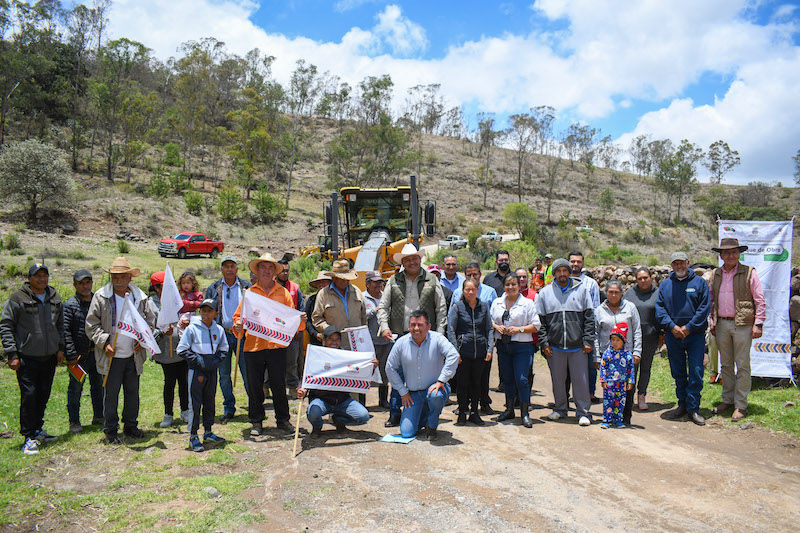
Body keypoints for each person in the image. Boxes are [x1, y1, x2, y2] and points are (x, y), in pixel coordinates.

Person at [233, 253, 304, 436]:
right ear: (257, 271)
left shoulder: (284, 293)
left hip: (276, 347)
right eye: (263, 267)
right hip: (253, 347)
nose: (266, 271)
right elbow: (238, 318)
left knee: (278, 384)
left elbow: (291, 317)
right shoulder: (248, 294)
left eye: (270, 267)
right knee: (255, 385)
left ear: (275, 272)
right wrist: (238, 326)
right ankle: (256, 422)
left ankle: (283, 420)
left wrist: (300, 319)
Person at [86, 257, 155, 444]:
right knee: (111, 394)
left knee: (133, 391)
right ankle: (110, 429)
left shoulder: (139, 297)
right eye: (115, 277)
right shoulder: (101, 296)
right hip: (112, 356)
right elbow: (92, 325)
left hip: (133, 355)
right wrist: (104, 342)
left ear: (129, 278)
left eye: (122, 276)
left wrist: (143, 340)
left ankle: (131, 425)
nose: (118, 280)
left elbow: (150, 322)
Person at [377, 243, 448, 427]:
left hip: (427, 336)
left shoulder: (432, 280)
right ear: (403, 262)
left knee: (426, 375)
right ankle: (395, 413)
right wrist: (384, 326)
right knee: (397, 374)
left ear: (420, 259)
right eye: (407, 260)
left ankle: (424, 413)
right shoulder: (393, 280)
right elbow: (383, 307)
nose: (411, 262)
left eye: (414, 258)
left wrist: (439, 336)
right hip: (400, 335)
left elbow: (441, 310)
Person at [1, 264, 65, 455]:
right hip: (27, 357)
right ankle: (28, 437)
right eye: (38, 276)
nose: (42, 279)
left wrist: (60, 348)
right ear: (29, 278)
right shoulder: (17, 298)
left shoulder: (54, 297)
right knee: (29, 396)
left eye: (45, 276)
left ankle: (38, 429)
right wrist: (12, 354)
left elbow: (60, 325)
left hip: (49, 356)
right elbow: (6, 325)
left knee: (43, 394)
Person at [708, 238, 766, 422]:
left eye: (734, 252)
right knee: (725, 364)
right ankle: (727, 400)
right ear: (721, 255)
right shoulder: (716, 274)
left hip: (743, 324)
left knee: (742, 365)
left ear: (739, 253)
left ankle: (740, 405)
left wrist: (758, 323)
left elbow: (759, 300)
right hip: (722, 324)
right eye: (726, 252)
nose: (730, 255)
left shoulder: (749, 272)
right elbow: (711, 300)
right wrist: (712, 320)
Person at [535, 258, 596, 426]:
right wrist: (545, 343)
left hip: (578, 346)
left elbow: (590, 318)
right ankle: (560, 409)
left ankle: (583, 412)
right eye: (558, 271)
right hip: (555, 346)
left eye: (565, 270)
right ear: (554, 273)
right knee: (558, 381)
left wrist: (588, 340)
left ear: (569, 272)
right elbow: (540, 322)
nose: (562, 274)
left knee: (580, 381)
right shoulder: (545, 293)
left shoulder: (581, 290)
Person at [655, 252, 711, 426]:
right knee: (678, 372)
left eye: (682, 263)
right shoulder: (665, 285)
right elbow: (660, 308)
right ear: (671, 266)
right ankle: (682, 405)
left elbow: (704, 308)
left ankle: (693, 409)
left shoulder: (700, 283)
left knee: (695, 372)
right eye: (675, 263)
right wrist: (672, 327)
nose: (679, 266)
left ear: (688, 263)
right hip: (674, 336)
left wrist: (689, 327)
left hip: (695, 336)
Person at [385, 310, 459, 440]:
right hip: (413, 394)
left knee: (436, 396)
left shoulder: (437, 339)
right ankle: (424, 415)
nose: (416, 328)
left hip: (436, 389)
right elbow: (390, 367)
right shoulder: (401, 343)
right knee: (407, 433)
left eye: (420, 325)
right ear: (408, 327)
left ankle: (432, 426)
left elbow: (454, 355)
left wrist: (441, 380)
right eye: (413, 325)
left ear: (428, 326)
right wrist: (403, 392)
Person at [297, 325, 373, 438]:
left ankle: (339, 421)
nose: (334, 342)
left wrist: (371, 367)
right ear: (324, 340)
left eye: (337, 339)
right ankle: (317, 427)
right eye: (331, 339)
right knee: (313, 412)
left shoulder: (347, 357)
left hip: (343, 400)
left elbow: (359, 374)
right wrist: (302, 389)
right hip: (321, 399)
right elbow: (306, 376)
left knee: (363, 416)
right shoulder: (316, 356)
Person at [204, 255, 252, 422]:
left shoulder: (247, 287)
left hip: (243, 336)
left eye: (232, 266)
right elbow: (206, 312)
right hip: (222, 336)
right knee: (224, 374)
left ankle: (253, 406)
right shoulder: (214, 288)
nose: (229, 269)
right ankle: (229, 407)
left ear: (237, 269)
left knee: (247, 372)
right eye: (226, 266)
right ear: (221, 269)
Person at [178, 299, 229, 452]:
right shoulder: (192, 329)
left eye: (209, 311)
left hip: (211, 370)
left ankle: (208, 431)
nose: (205, 314)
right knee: (195, 403)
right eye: (203, 310)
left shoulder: (218, 330)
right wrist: (197, 360)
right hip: (197, 370)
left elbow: (224, 348)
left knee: (209, 400)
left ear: (216, 314)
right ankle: (193, 435)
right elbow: (182, 349)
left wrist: (215, 361)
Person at [490, 273, 540, 428]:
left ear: (520, 286)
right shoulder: (497, 302)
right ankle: (509, 409)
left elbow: (536, 325)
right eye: (507, 284)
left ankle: (524, 413)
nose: (510, 287)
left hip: (522, 347)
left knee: (522, 379)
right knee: (508, 379)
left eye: (513, 284)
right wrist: (496, 327)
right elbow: (490, 320)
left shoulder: (527, 303)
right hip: (503, 346)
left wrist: (519, 329)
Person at [451, 261, 497, 415]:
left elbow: (490, 326)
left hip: (481, 349)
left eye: (475, 274)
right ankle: (462, 410)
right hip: (464, 349)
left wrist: (490, 347)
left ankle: (479, 408)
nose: (470, 292)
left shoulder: (487, 298)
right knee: (463, 382)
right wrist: (454, 349)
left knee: (480, 381)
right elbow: (451, 327)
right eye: (469, 275)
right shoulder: (457, 301)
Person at [594, 280, 642, 426]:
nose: (613, 295)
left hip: (627, 356)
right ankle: (608, 418)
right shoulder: (599, 310)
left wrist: (637, 352)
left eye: (616, 292)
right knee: (609, 390)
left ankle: (624, 418)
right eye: (610, 292)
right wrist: (597, 355)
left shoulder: (630, 307)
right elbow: (595, 334)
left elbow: (637, 330)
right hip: (607, 357)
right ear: (606, 293)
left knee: (627, 387)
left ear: (621, 293)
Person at [64, 269, 103, 434]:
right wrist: (71, 355)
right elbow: (65, 331)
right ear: (75, 285)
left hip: (97, 353)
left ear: (92, 283)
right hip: (79, 357)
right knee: (75, 388)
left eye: (88, 282)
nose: (85, 286)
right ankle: (74, 422)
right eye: (81, 283)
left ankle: (99, 416)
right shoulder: (69, 305)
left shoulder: (99, 301)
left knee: (98, 387)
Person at [148, 271, 189, 428]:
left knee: (183, 381)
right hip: (165, 352)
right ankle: (168, 413)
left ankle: (185, 410)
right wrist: (161, 332)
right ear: (157, 288)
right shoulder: (151, 304)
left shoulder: (177, 301)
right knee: (169, 382)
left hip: (181, 348)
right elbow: (149, 330)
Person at [623, 267, 663, 411]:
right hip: (631, 338)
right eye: (640, 278)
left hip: (650, 337)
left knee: (645, 368)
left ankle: (642, 396)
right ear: (636, 280)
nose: (643, 280)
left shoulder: (658, 293)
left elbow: (662, 314)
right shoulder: (629, 293)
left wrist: (661, 334)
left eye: (645, 277)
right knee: (631, 368)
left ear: (651, 278)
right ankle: (629, 396)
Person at [568, 251, 601, 403]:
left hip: (586, 329)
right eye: (572, 261)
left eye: (578, 262)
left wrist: (591, 332)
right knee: (567, 365)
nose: (575, 264)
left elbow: (595, 309)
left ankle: (590, 392)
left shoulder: (591, 284)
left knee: (589, 363)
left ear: (583, 263)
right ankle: (566, 395)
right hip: (567, 330)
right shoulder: (561, 281)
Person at [312, 259, 367, 342]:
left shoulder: (357, 292)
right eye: (342, 278)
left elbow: (363, 317)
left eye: (347, 278)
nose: (345, 281)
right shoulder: (323, 294)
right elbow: (317, 319)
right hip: (334, 343)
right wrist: (330, 330)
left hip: (357, 341)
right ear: (334, 278)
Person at [275, 257, 305, 396]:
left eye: (287, 271)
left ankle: (293, 386)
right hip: (274, 331)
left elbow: (300, 309)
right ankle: (268, 386)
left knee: (292, 360)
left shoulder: (295, 287)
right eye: (282, 271)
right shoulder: (271, 287)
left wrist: (299, 329)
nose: (285, 273)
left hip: (292, 331)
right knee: (272, 362)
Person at [363, 270, 391, 408]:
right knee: (366, 371)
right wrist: (375, 310)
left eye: (380, 282)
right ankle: (362, 402)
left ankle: (383, 400)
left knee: (384, 370)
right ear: (367, 284)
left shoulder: (386, 296)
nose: (378, 285)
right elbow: (361, 316)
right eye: (375, 282)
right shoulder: (362, 298)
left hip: (385, 341)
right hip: (369, 341)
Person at [599, 323, 635, 429]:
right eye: (613, 339)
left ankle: (618, 420)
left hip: (622, 383)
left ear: (623, 341)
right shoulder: (607, 353)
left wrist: (630, 381)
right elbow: (603, 367)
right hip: (609, 383)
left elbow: (630, 369)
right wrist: (603, 380)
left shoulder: (627, 354)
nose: (615, 342)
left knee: (620, 402)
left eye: (618, 340)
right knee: (608, 402)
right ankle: (607, 419)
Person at [305, 273, 331, 346]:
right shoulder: (311, 300)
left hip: (334, 341)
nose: (321, 284)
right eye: (319, 282)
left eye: (324, 282)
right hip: (316, 341)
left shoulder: (335, 299)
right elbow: (307, 320)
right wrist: (315, 334)